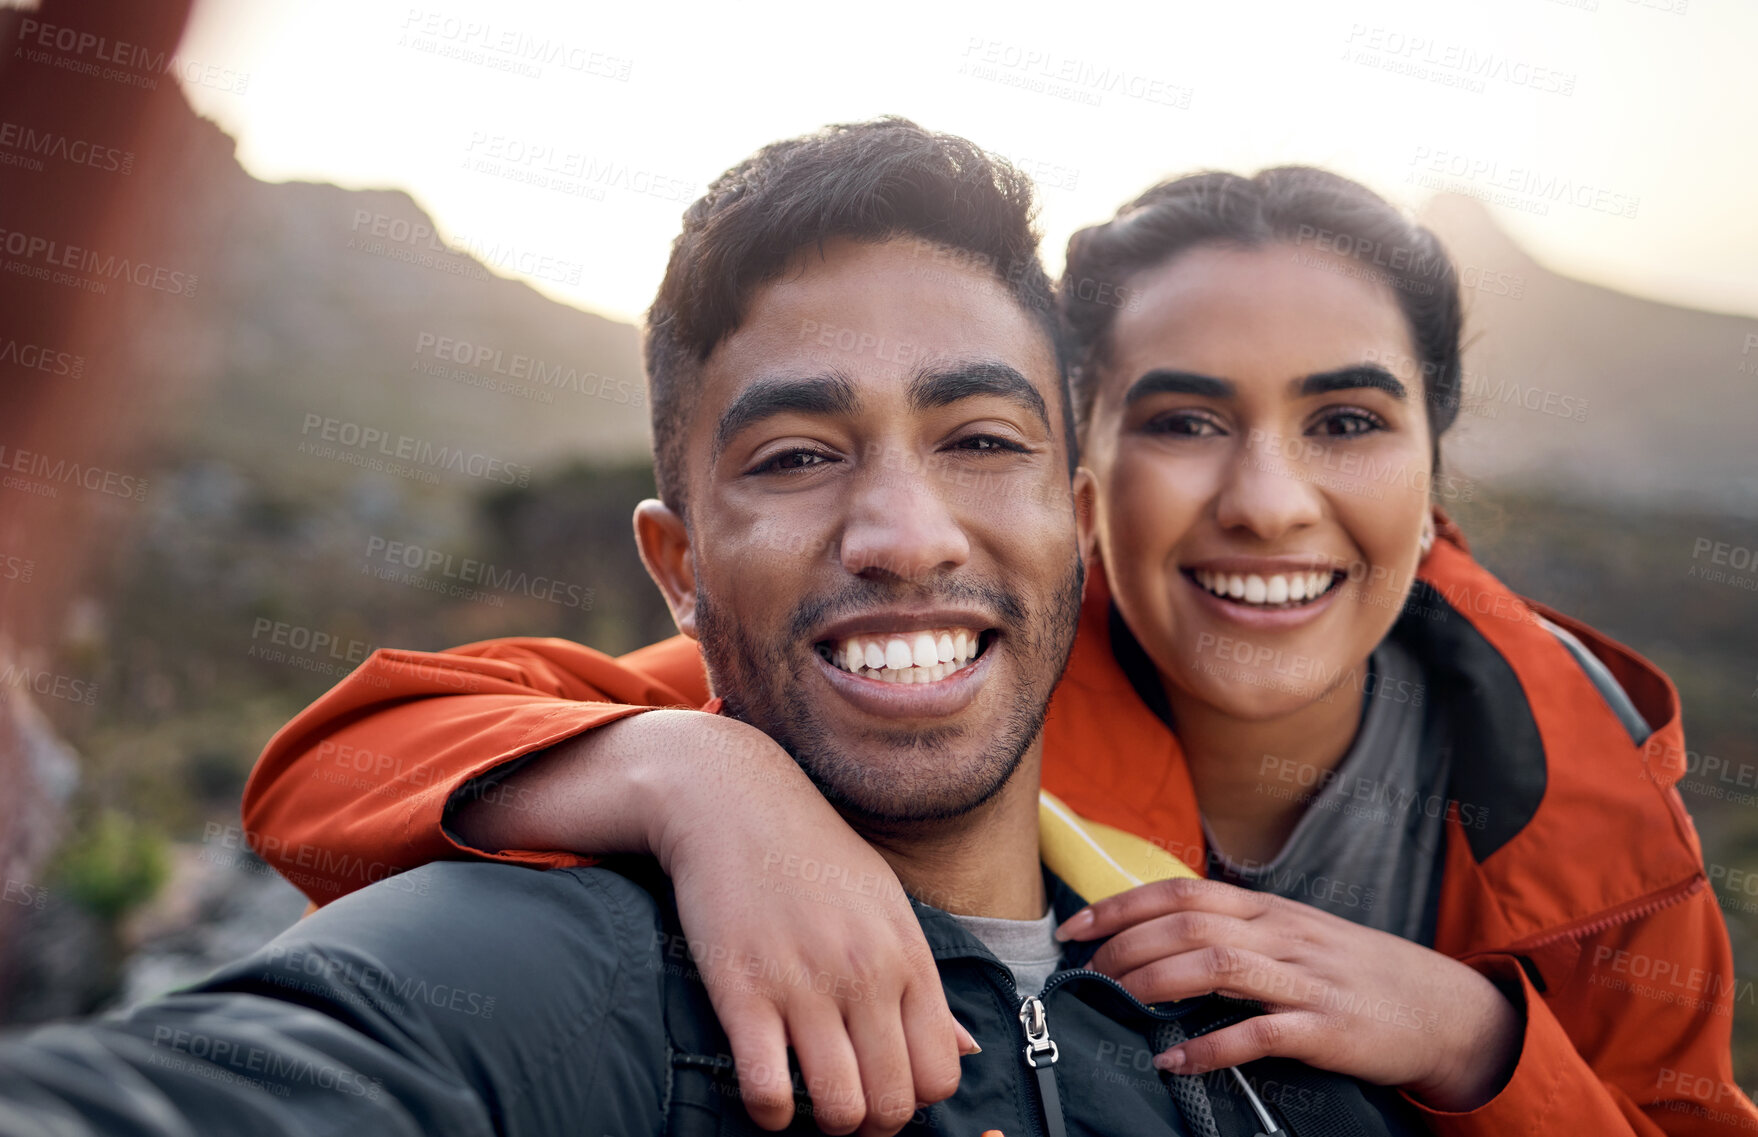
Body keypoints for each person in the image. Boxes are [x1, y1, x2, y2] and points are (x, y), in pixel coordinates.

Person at [240, 164, 1757, 1134]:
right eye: (1182, 418)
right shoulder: (966, 680)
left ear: (1436, 464)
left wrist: (1477, 1040)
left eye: (1347, 420)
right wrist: (697, 776)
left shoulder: (1594, 804)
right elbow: (340, 763)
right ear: (1081, 473)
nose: (1265, 498)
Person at [0, 119, 1422, 1137]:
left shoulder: (1259, 1029)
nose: (902, 532)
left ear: (1080, 514)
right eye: (797, 456)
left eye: (980, 437)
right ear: (677, 570)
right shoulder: (535, 969)